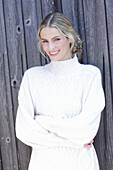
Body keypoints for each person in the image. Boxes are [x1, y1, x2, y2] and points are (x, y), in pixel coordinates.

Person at [16, 12, 105, 170]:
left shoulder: (90, 76)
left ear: (69, 38)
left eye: (56, 39)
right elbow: (24, 132)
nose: (51, 47)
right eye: (45, 41)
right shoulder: (32, 77)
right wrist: (72, 140)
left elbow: (86, 132)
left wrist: (43, 121)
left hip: (81, 164)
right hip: (43, 165)